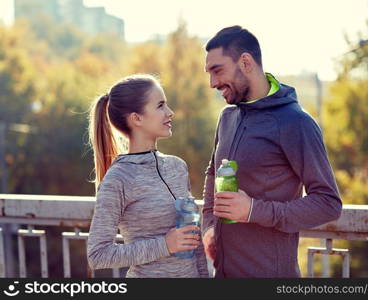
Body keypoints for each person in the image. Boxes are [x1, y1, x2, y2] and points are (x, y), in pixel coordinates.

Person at [202, 26, 342, 277]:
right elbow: (213, 173)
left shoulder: (295, 123)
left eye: (217, 71)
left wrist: (254, 210)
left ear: (245, 62)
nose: (212, 83)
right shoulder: (227, 117)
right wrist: (209, 226)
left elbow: (328, 203)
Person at [86, 74, 208, 278]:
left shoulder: (177, 167)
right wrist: (165, 245)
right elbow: (98, 255)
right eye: (160, 106)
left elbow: (194, 239)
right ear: (137, 118)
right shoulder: (119, 178)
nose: (170, 112)